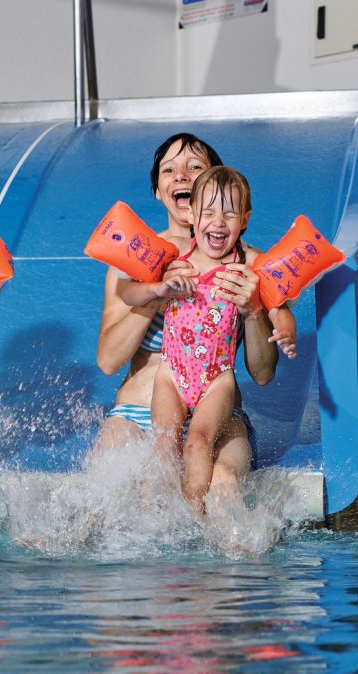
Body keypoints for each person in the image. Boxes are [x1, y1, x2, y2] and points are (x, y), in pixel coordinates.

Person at [91, 133, 294, 494]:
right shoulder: (139, 260)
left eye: (194, 167)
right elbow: (107, 361)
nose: (182, 175)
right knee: (112, 490)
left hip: (217, 415)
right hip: (139, 414)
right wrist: (155, 295)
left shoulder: (248, 265)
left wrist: (253, 311)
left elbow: (263, 374)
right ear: (158, 190)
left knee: (223, 485)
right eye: (169, 170)